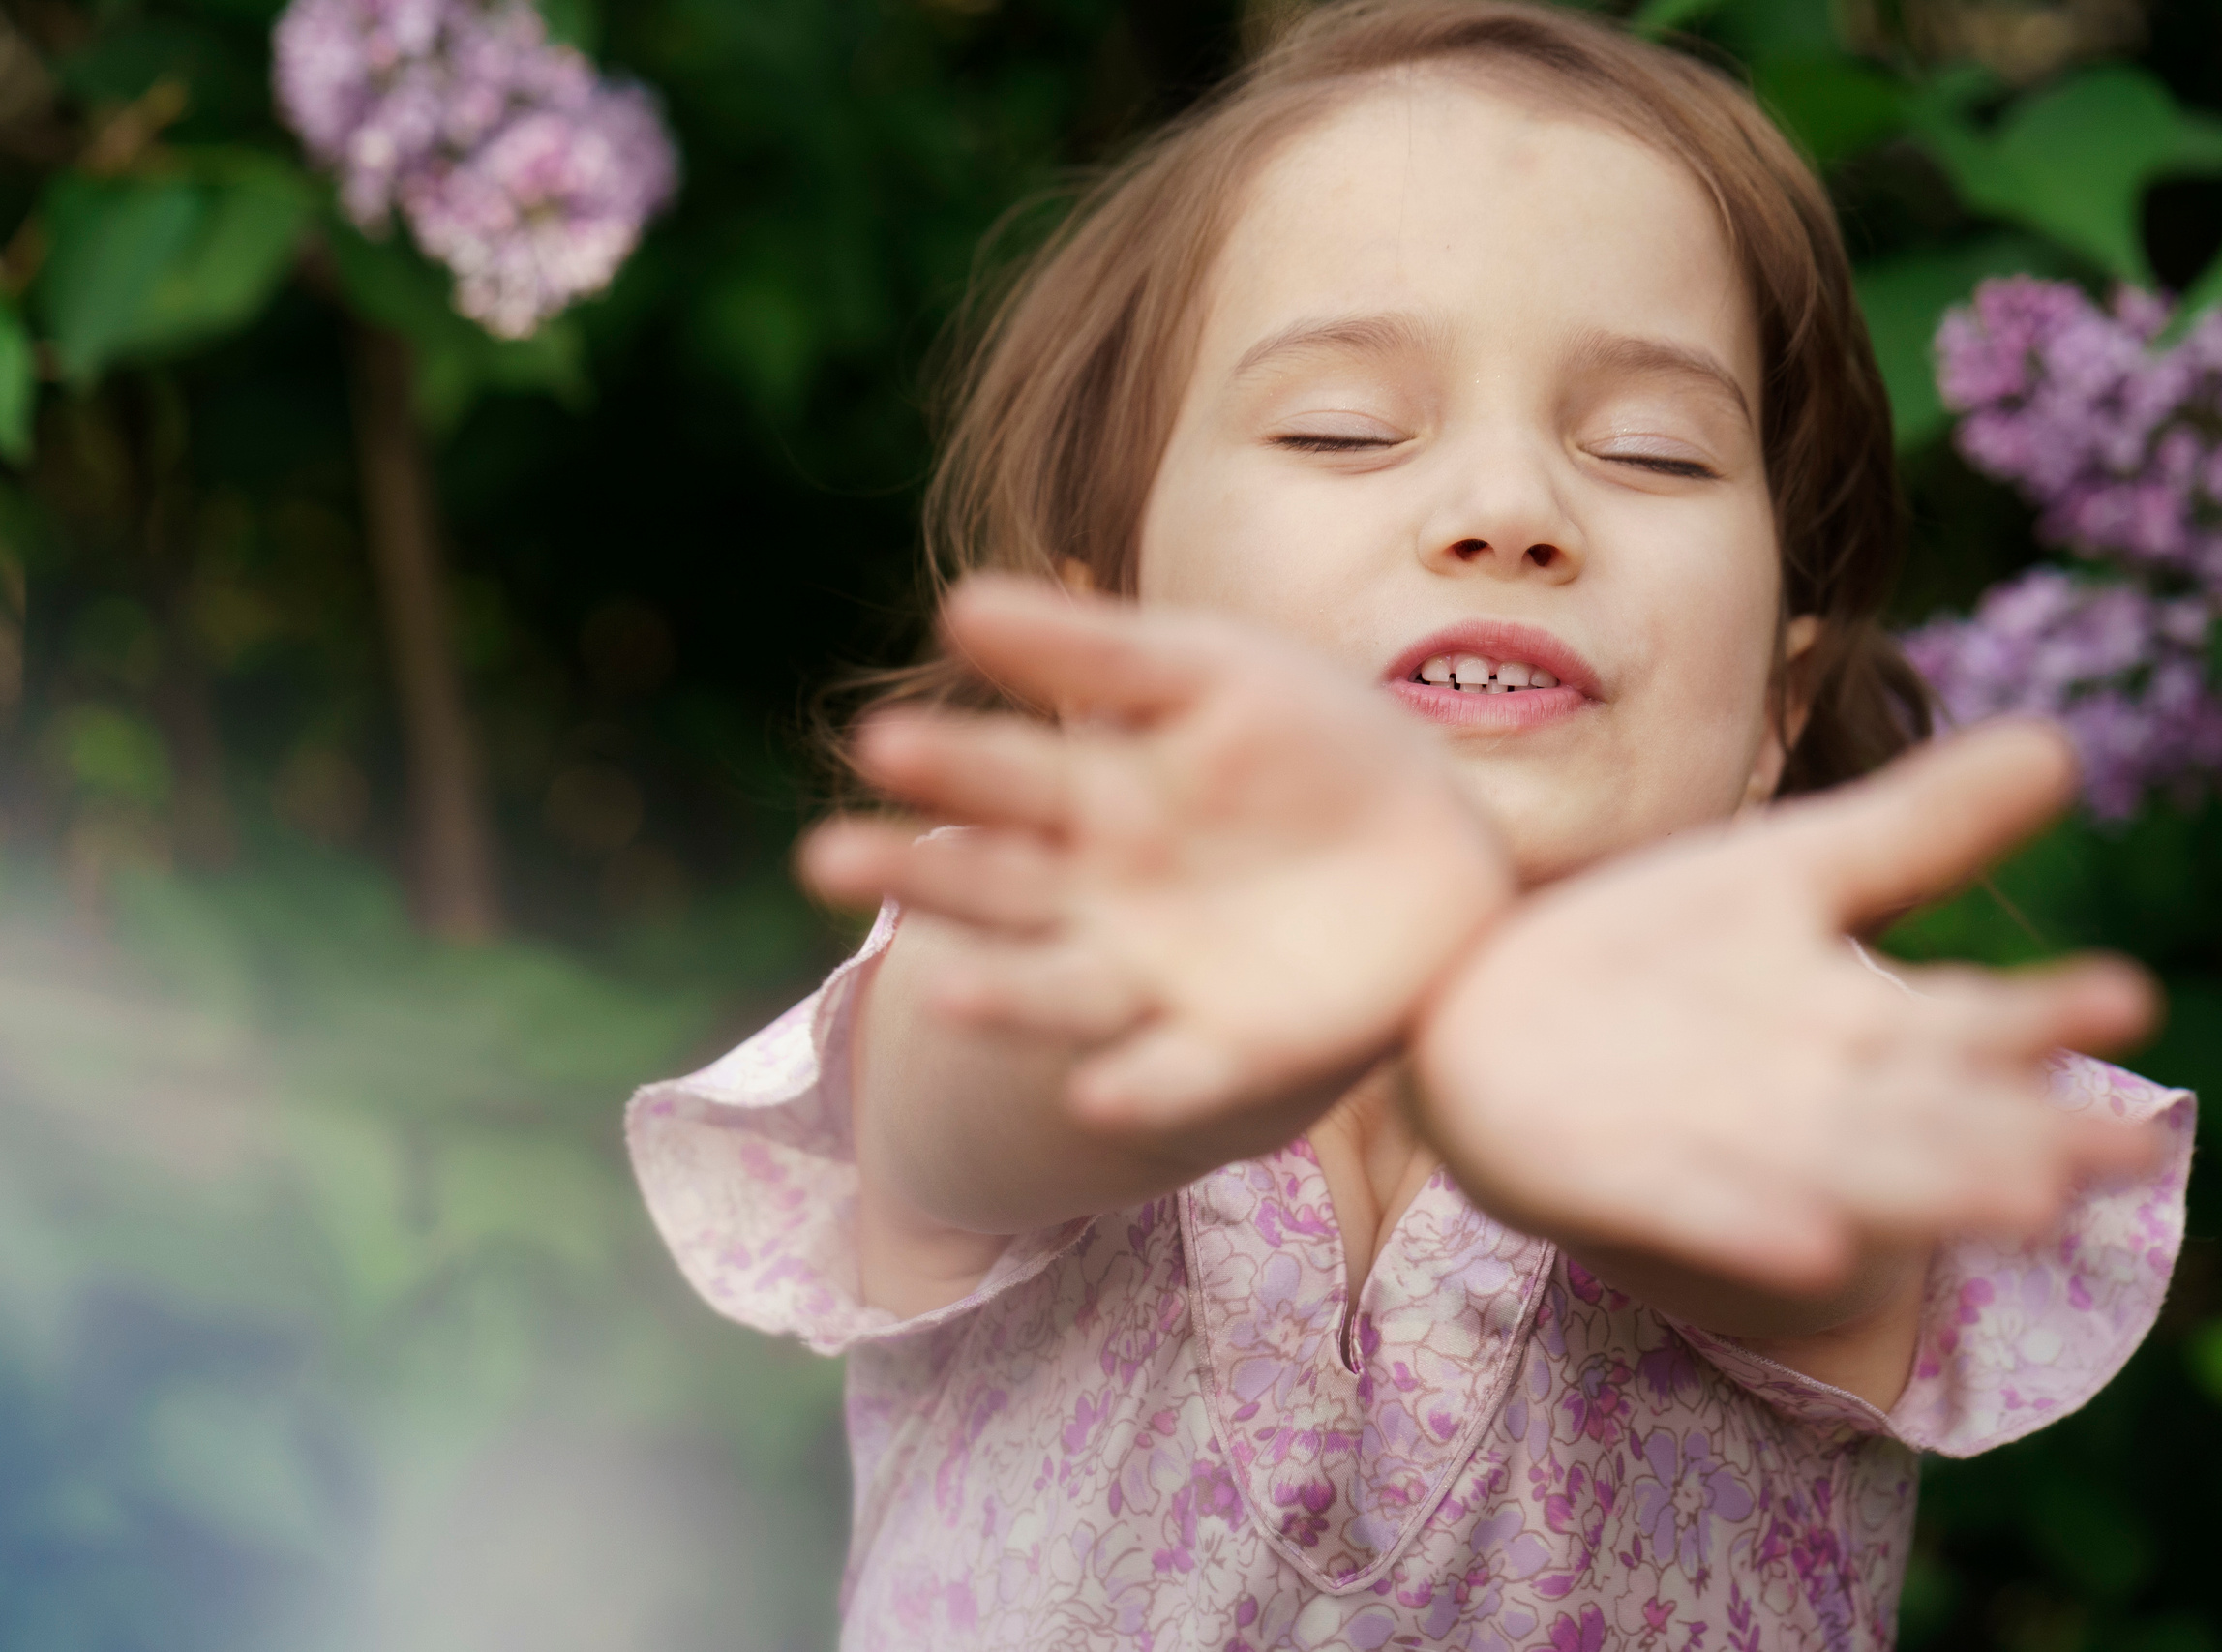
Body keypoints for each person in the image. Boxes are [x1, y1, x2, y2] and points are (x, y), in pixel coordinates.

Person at [627, 3, 2195, 1644]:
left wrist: (1563, 1086)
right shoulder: (1036, 943)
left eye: (1650, 451)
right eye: (1344, 429)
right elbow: (946, 1107)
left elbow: (1832, 1227)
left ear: (1775, 720)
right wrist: (1177, 1004)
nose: (1510, 511)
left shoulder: (1790, 1043)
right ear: (1109, 664)